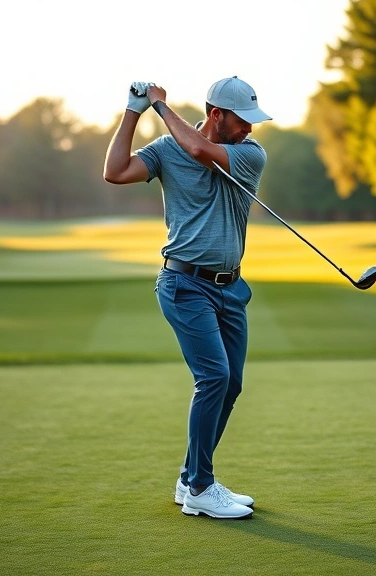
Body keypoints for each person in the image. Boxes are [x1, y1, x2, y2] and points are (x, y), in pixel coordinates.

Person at [102, 77, 271, 519]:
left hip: (230, 288)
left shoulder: (250, 154)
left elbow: (199, 150)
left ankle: (190, 477)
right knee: (214, 377)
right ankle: (199, 486)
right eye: (243, 120)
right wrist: (134, 111)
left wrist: (161, 105)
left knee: (231, 383)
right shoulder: (164, 150)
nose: (251, 129)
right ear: (217, 114)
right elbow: (115, 171)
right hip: (183, 285)